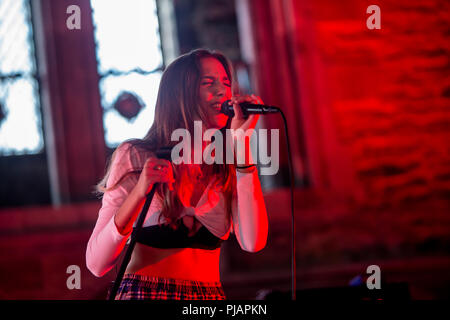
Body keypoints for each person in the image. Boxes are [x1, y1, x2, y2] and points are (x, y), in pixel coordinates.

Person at [86, 48, 268, 300]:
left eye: (226, 83)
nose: (222, 91)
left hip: (207, 299)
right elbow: (97, 264)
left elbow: (253, 242)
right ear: (181, 94)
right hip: (144, 294)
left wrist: (242, 145)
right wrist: (139, 192)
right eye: (208, 83)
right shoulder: (135, 155)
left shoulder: (228, 161)